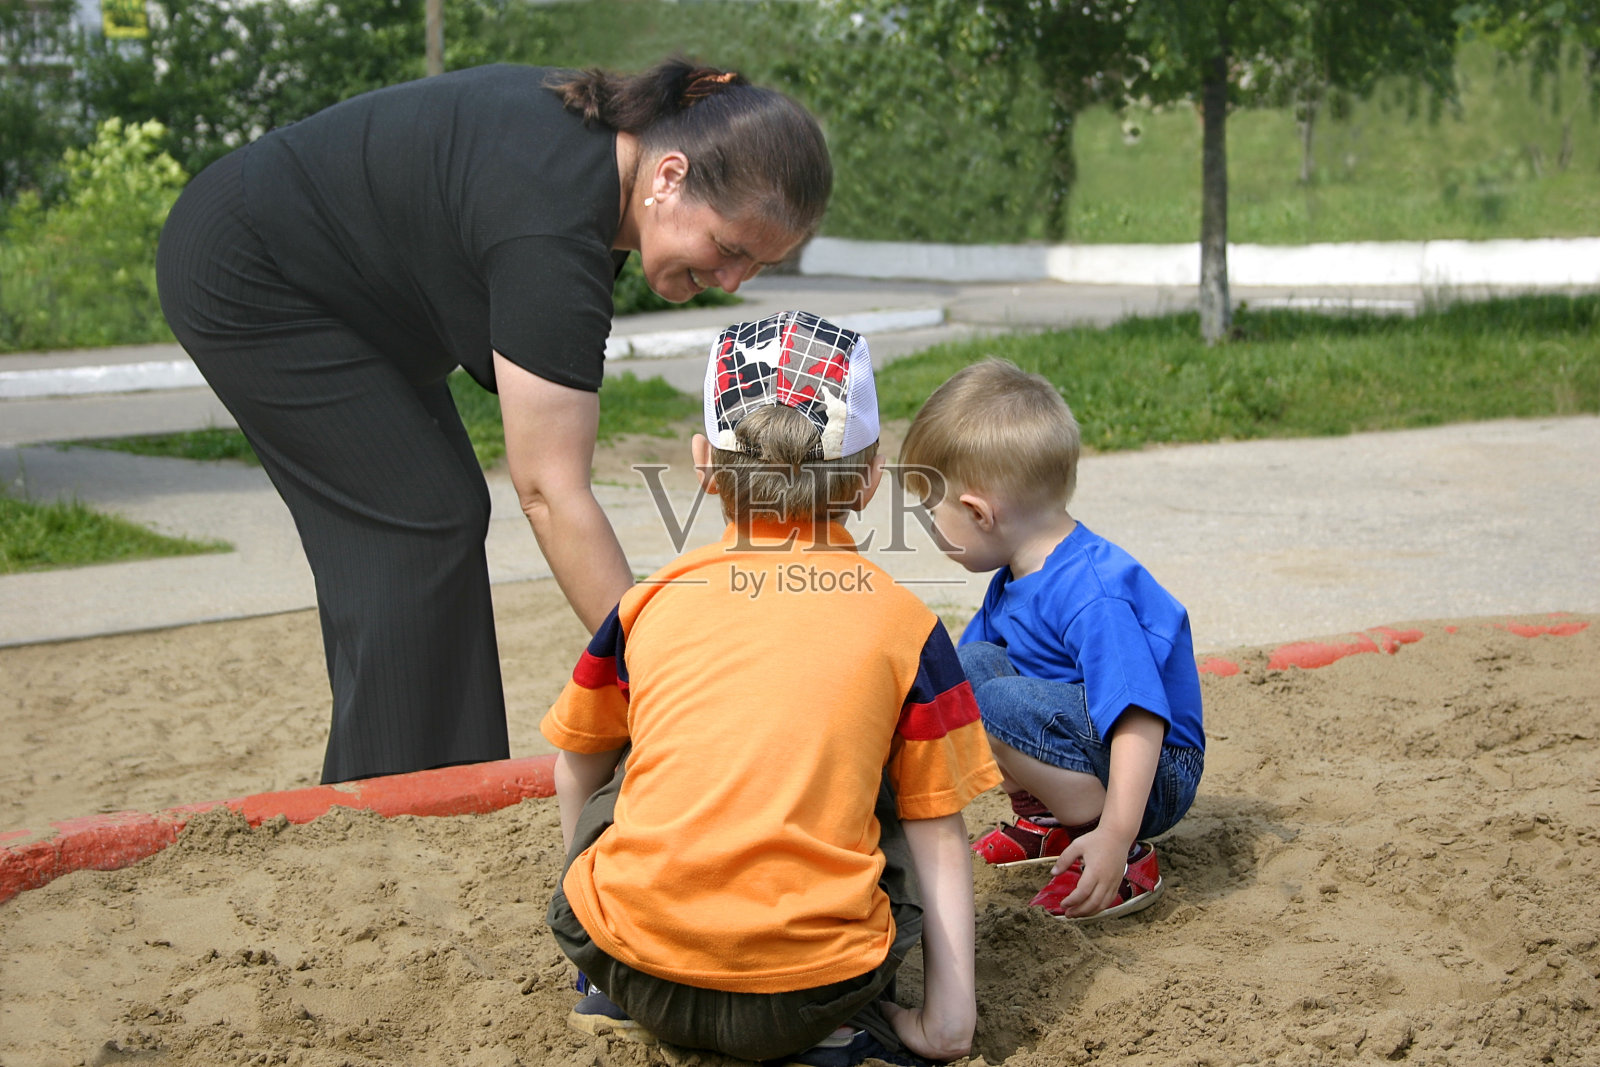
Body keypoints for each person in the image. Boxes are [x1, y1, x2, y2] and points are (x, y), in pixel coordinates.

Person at [155, 60, 830, 784]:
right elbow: (548, 490)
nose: (731, 283)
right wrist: (665, 677)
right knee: (416, 517)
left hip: (345, 294)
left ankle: (440, 783)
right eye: (729, 249)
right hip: (254, 274)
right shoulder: (554, 223)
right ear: (668, 176)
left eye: (759, 266)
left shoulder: (596, 171)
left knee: (436, 511)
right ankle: (393, 797)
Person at [540, 311, 1002, 1066]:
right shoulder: (907, 626)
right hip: (807, 996)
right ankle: (842, 1036)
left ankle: (603, 994)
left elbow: (573, 769)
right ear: (871, 475)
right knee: (898, 790)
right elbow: (939, 831)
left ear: (702, 464)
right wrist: (949, 1022)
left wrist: (598, 951)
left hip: (639, 967)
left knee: (615, 761)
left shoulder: (647, 604)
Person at [898, 358, 1205, 921]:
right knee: (967, 671)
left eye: (930, 514)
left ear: (978, 512)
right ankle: (1049, 821)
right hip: (1088, 741)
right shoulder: (1014, 577)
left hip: (1154, 770)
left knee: (995, 701)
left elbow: (1140, 718)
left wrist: (1116, 833)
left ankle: (1119, 856)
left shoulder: (1093, 592)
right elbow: (955, 693)